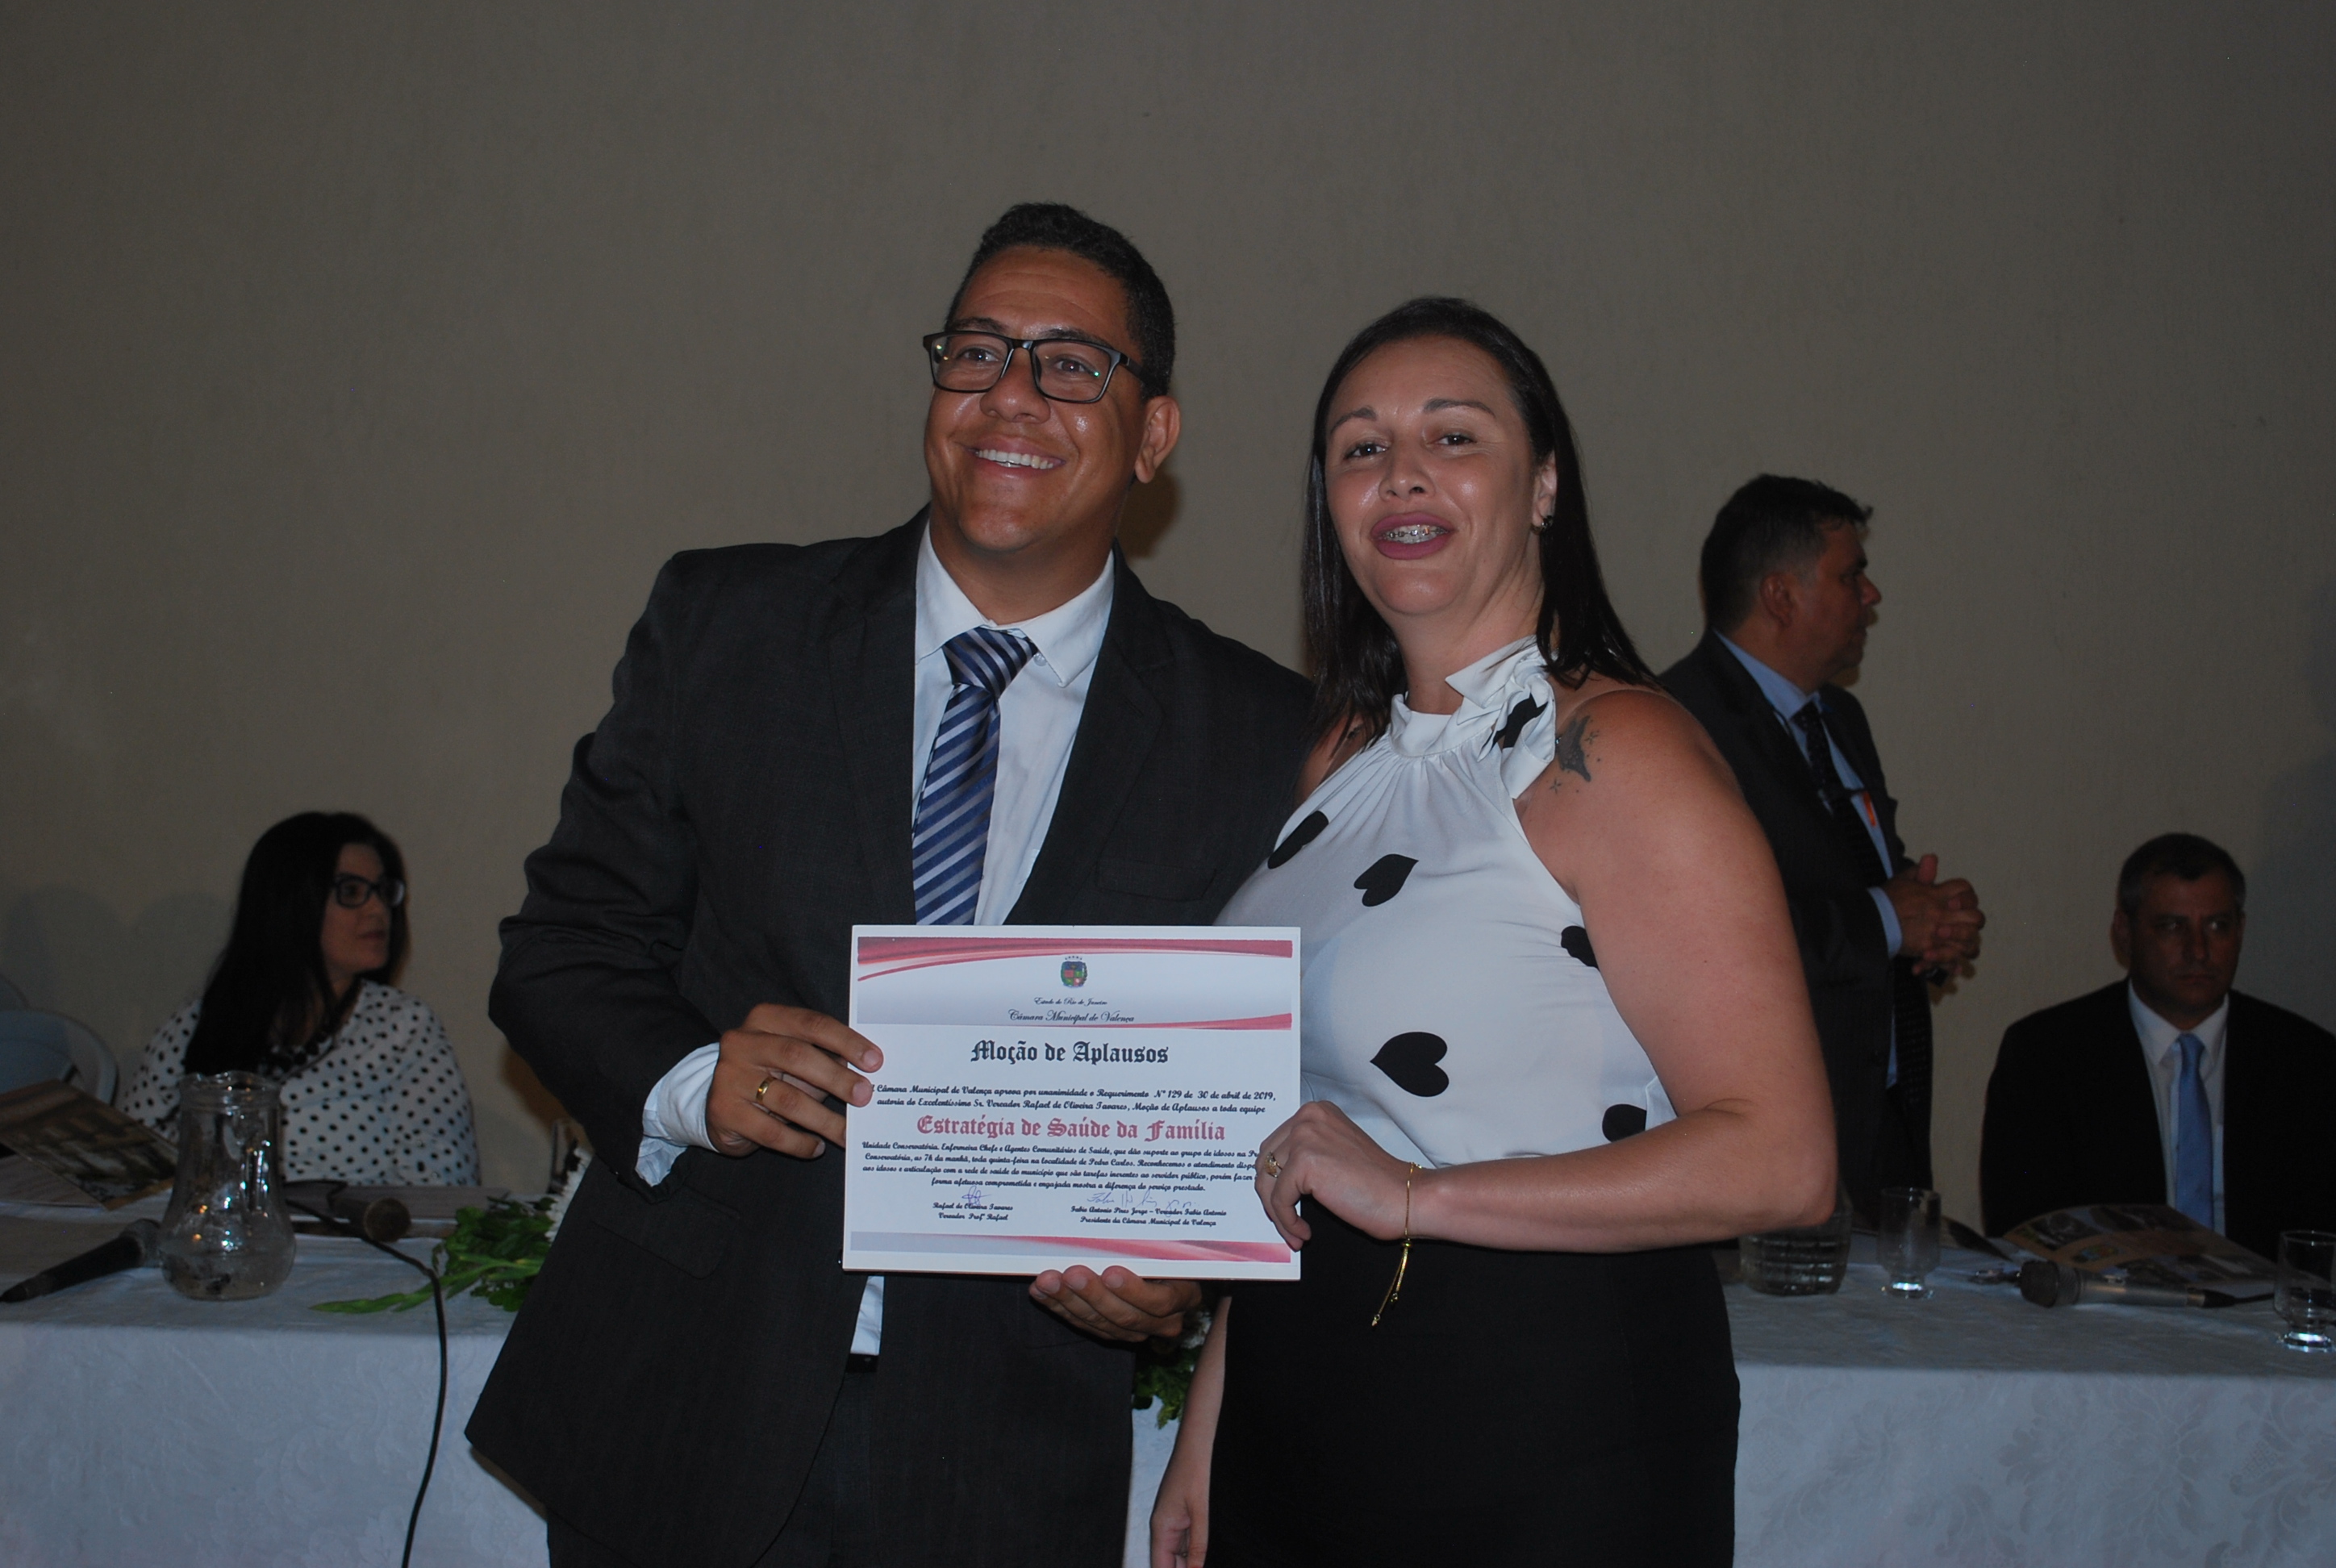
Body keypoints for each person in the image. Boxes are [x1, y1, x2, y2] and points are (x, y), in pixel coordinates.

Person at [465, 203, 1311, 1568]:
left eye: (1070, 364)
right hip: (686, 1401)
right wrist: (694, 1079)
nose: (1009, 395)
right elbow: (560, 947)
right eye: (976, 351)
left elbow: (1268, 1086)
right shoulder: (730, 628)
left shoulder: (1257, 732)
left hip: (1005, 1448)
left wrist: (1182, 1273)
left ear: (1154, 434)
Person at [1150, 299, 1836, 1568]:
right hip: (1305, 1396)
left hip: (1541, 1409)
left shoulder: (1618, 751)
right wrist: (1214, 1406)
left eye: (1453, 435)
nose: (1401, 472)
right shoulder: (1338, 760)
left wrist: (1416, 1196)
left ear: (1545, 486)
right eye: (1360, 447)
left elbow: (1783, 1161)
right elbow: (1321, 1128)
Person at [1660, 476, 1984, 1217]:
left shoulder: (1839, 717)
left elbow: (1841, 881)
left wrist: (1926, 922)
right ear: (1780, 595)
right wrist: (1890, 920)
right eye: (1851, 575)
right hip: (1771, 1137)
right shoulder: (1679, 724)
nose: (1872, 596)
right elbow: (1703, 939)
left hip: (1878, 1119)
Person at [1979, 833, 2336, 1255]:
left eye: (2217, 926)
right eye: (2172, 927)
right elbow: (2026, 1228)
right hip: (2106, 1293)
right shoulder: (2048, 1055)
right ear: (2124, 934)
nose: (2198, 951)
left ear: (2241, 932)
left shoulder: (2306, 1060)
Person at [122, 811, 479, 1185]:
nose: (378, 910)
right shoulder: (202, 1020)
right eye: (351, 892)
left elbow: (443, 1181)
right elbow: (124, 1162)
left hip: (352, 1223)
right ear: (291, 903)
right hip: (215, 1221)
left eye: (384, 892)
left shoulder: (403, 1027)